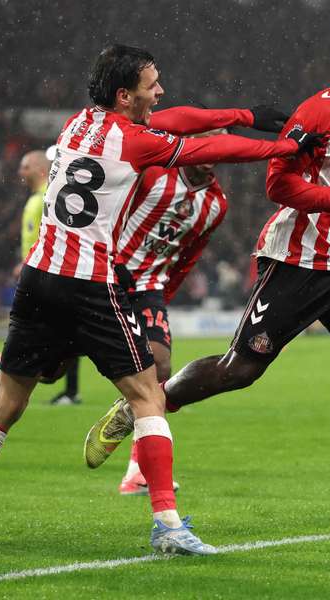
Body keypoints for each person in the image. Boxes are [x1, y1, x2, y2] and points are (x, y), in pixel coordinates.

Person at [84, 31, 330, 541]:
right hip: (295, 260)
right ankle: (147, 402)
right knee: (238, 371)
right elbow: (279, 185)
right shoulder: (323, 110)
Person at [0, 43, 321, 556]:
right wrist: (285, 148)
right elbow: (203, 149)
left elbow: (180, 121)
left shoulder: (76, 125)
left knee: (8, 403)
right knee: (148, 397)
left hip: (38, 277)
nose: (159, 93)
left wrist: (243, 115)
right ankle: (168, 526)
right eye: (151, 86)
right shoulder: (137, 144)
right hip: (90, 283)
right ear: (124, 95)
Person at [114, 128, 231, 495]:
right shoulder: (154, 172)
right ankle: (1, 367)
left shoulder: (216, 204)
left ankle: (137, 471)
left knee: (160, 367)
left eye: (221, 147)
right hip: (107, 275)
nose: (213, 154)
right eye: (207, 143)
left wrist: (164, 294)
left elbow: (188, 255)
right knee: (54, 363)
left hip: (149, 287)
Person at [0, 150, 84, 406]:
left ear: (41, 169)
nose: (21, 172)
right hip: (44, 274)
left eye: (25, 167)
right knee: (59, 336)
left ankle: (2, 372)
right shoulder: (45, 198)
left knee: (61, 335)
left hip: (45, 273)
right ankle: (1, 373)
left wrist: (27, 263)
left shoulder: (43, 199)